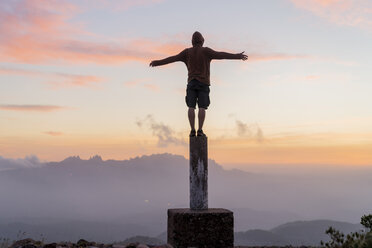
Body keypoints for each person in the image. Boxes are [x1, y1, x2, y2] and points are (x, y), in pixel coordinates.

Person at [149, 31, 248, 137]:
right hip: (203, 83)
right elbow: (221, 55)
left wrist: (157, 62)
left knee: (191, 107)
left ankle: (192, 131)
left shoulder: (186, 52)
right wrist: (237, 56)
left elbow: (172, 59)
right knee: (202, 107)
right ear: (202, 41)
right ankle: (200, 130)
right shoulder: (206, 51)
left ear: (192, 41)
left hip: (191, 83)